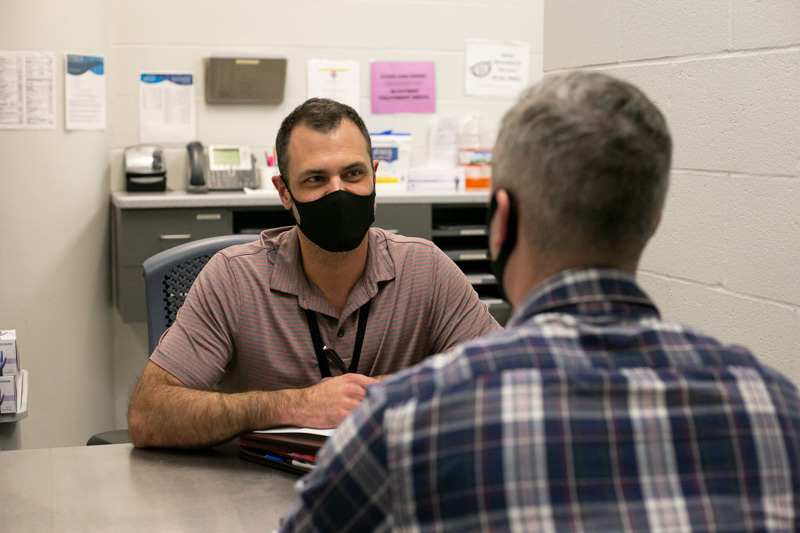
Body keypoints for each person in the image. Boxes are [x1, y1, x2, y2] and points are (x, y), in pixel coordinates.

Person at [278, 72, 800, 531]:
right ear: (651, 224)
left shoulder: (406, 423)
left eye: (352, 174)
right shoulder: (775, 408)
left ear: (501, 220)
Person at [127, 98, 500, 448]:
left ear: (374, 176)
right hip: (258, 492)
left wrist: (402, 390)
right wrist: (292, 405)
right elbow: (148, 415)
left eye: (353, 174)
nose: (338, 192)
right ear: (285, 193)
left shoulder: (426, 269)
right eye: (315, 179)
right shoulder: (233, 278)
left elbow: (510, 379)